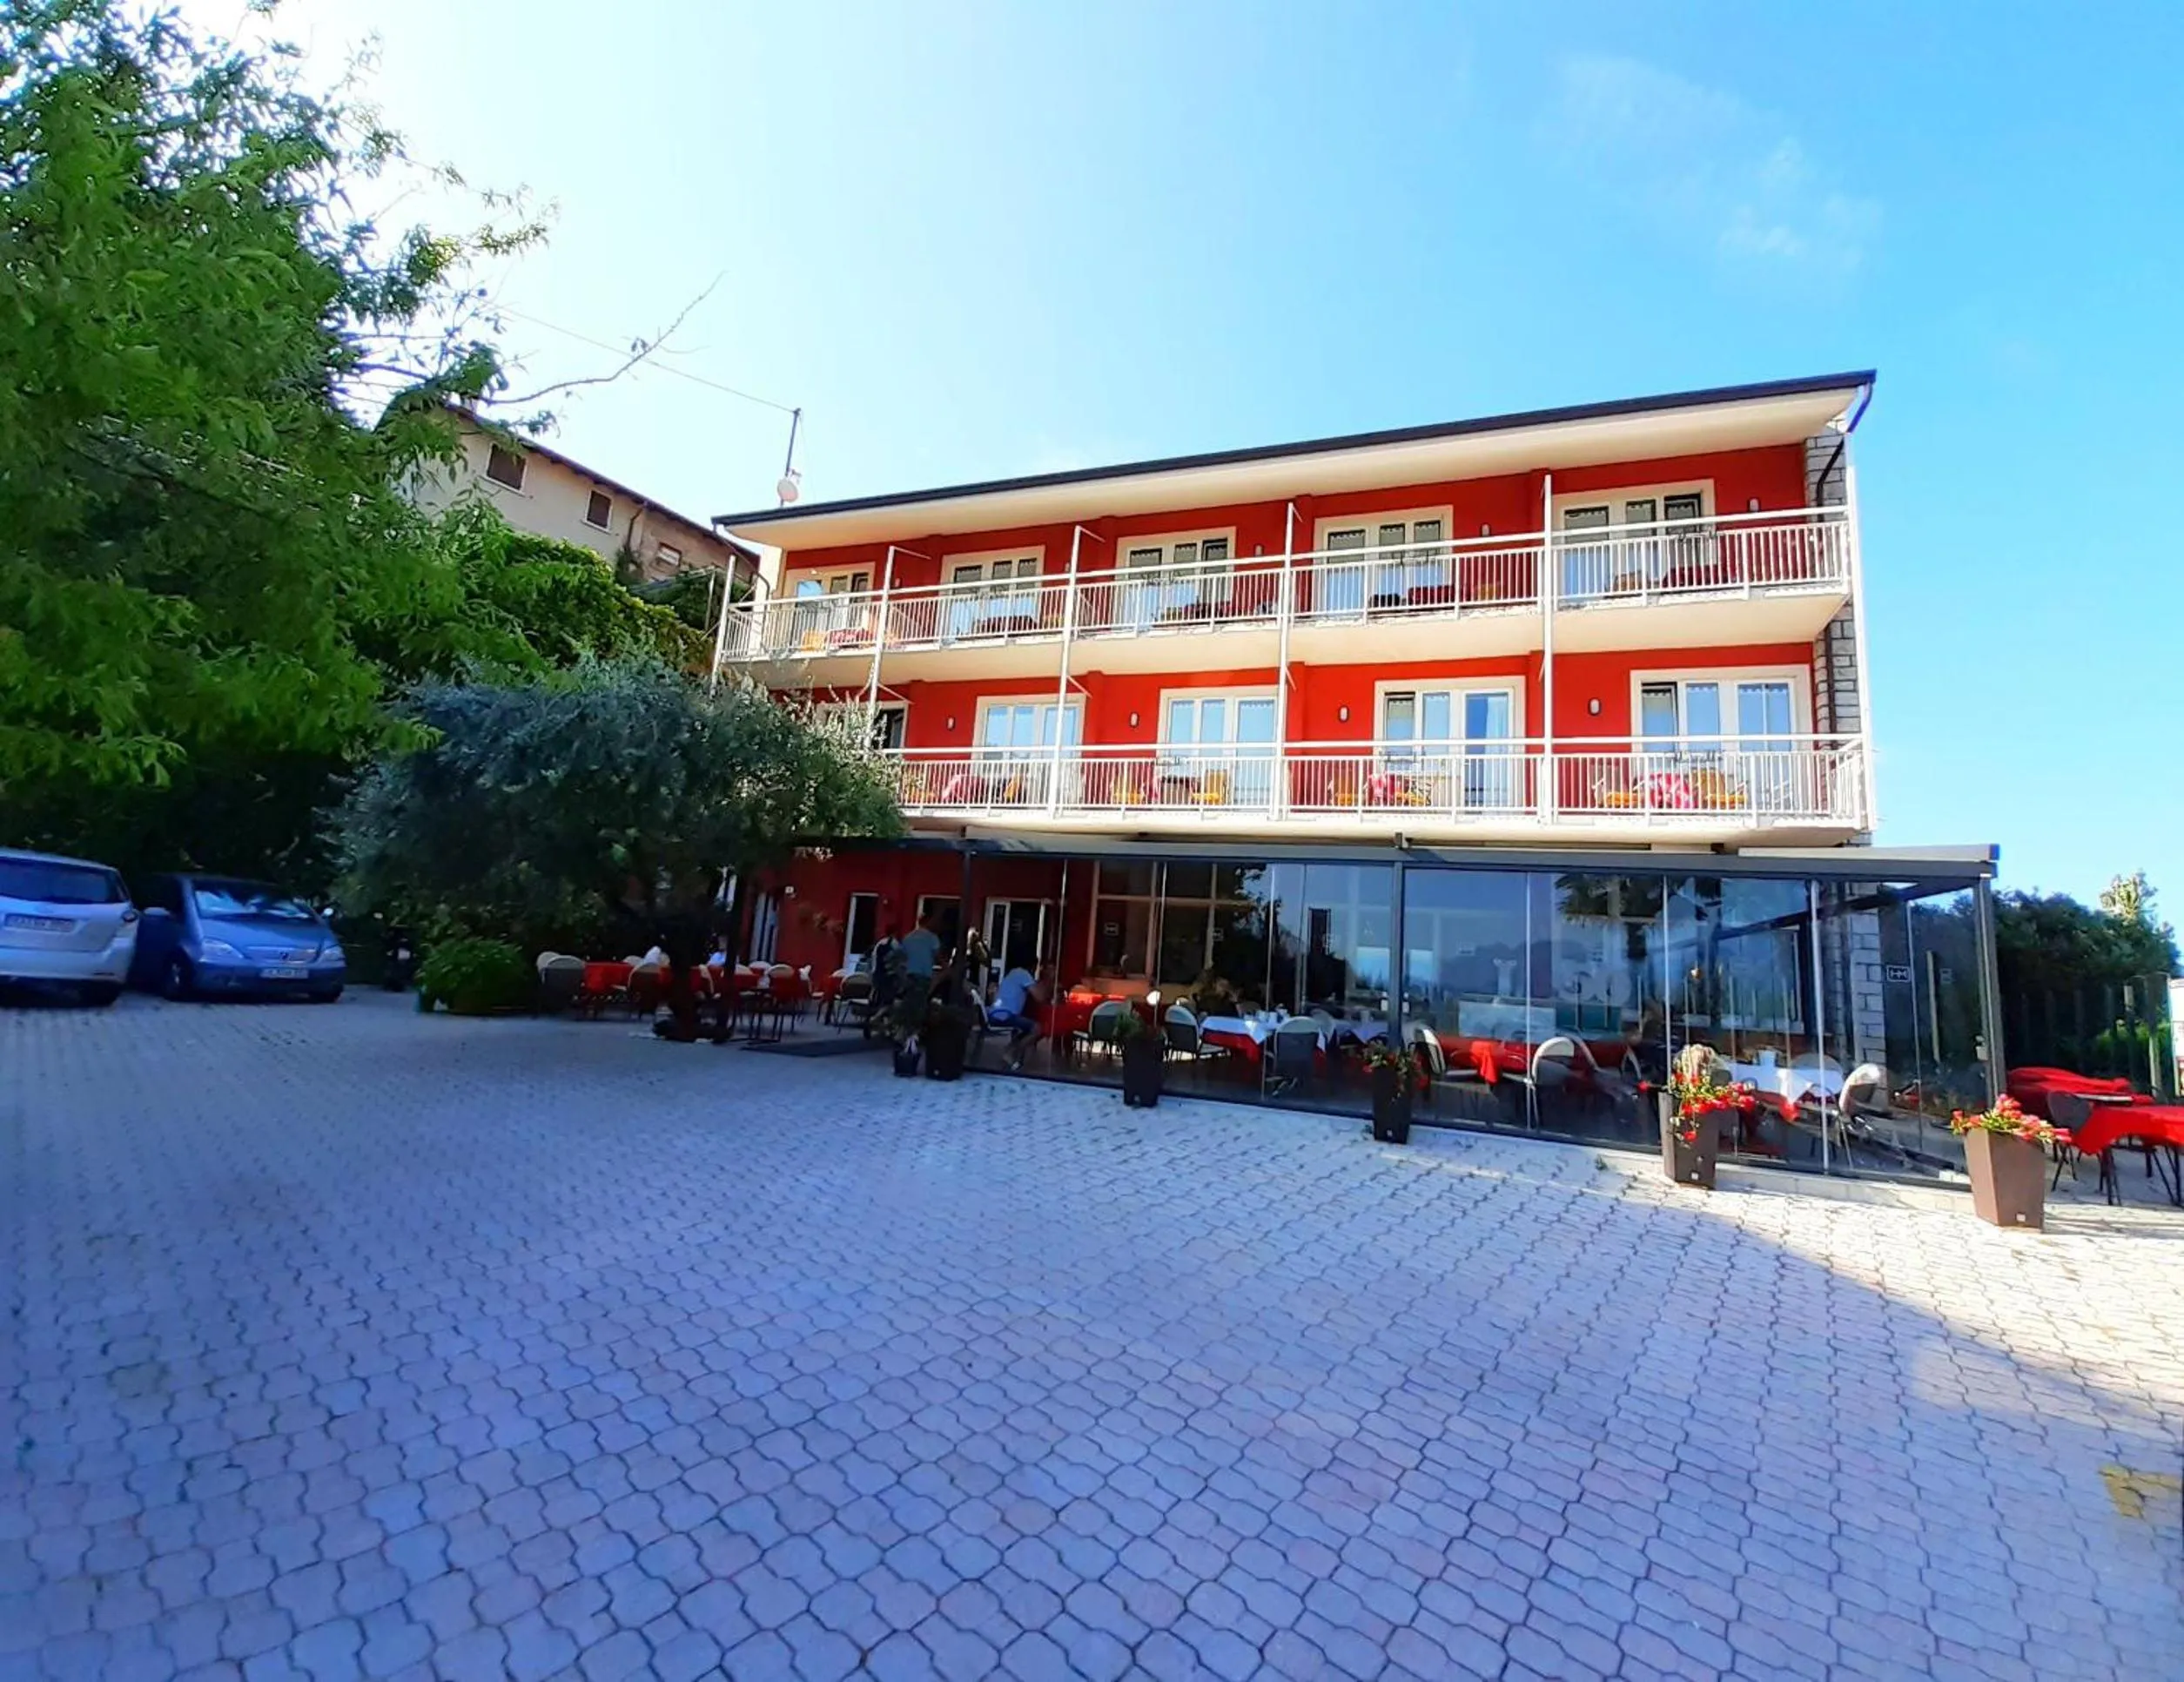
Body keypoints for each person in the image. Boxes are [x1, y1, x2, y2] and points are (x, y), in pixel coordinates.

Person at [987, 961, 1048, 1072]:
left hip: (995, 1013)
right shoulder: (1023, 974)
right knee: (1037, 1028)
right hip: (1005, 1015)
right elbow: (1040, 997)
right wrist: (1047, 980)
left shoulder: (1012, 973)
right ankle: (1011, 1052)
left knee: (1025, 1028)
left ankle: (1011, 1052)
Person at [898, 913, 942, 981]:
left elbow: (902, 956)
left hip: (910, 973)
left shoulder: (907, 937)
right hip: (925, 973)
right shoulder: (932, 937)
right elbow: (937, 955)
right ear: (928, 922)